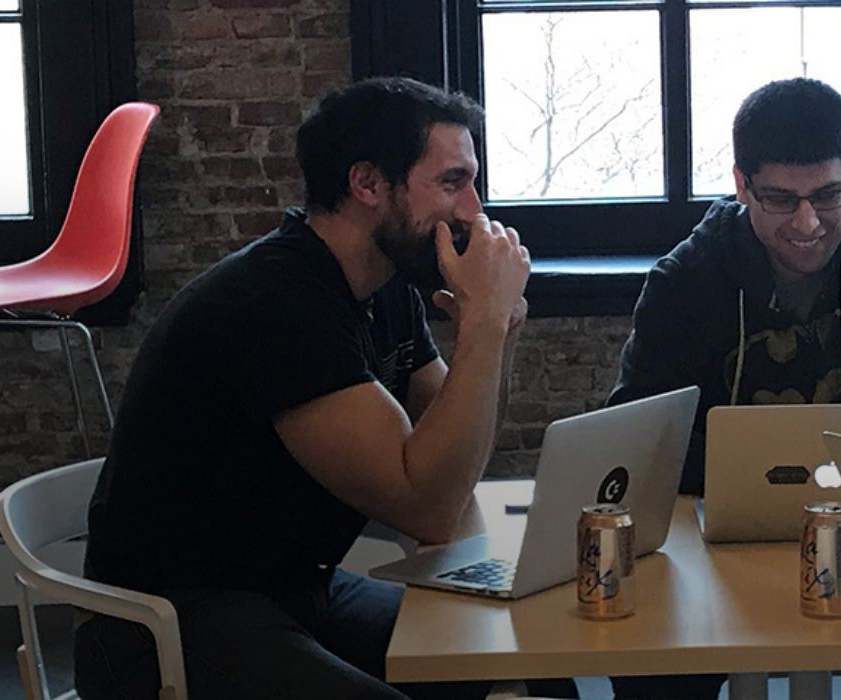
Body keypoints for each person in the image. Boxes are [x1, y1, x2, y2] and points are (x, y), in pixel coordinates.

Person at [76, 77, 544, 700]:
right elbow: (425, 505)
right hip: (167, 619)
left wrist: (499, 330)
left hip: (298, 589)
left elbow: (451, 465)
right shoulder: (278, 304)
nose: (474, 210)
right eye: (453, 182)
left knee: (524, 664)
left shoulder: (387, 288)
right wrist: (482, 326)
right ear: (369, 184)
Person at [605, 78, 841, 700]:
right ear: (740, 184)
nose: (808, 223)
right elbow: (641, 439)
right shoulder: (686, 278)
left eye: (829, 194)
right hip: (713, 543)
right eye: (780, 199)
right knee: (650, 669)